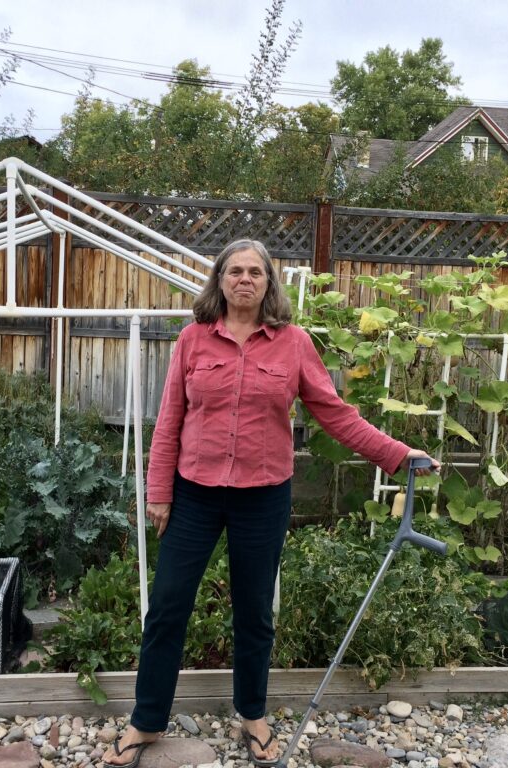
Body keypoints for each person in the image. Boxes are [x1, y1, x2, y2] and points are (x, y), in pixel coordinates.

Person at [104, 239, 438, 768]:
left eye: (254, 272)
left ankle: (253, 715)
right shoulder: (193, 340)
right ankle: (146, 721)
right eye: (234, 271)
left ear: (268, 283)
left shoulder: (294, 344)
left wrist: (397, 454)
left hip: (262, 498)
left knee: (256, 610)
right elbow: (168, 420)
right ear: (219, 281)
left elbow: (335, 413)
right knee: (168, 605)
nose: (244, 280)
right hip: (194, 494)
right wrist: (160, 491)